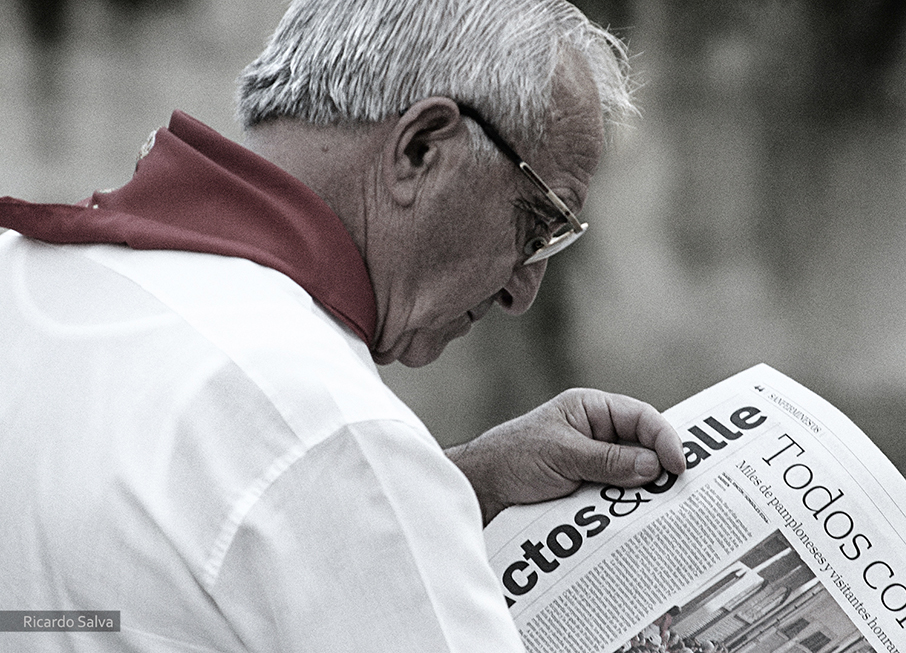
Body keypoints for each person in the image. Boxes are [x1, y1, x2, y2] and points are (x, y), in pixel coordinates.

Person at [0, 0, 686, 650]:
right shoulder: (329, 432)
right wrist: (389, 493)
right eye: (537, 222)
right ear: (420, 149)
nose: (522, 288)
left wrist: (447, 488)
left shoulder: (26, 270)